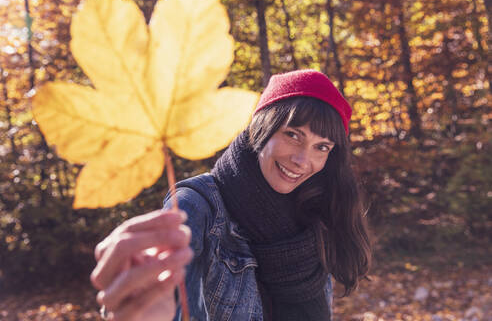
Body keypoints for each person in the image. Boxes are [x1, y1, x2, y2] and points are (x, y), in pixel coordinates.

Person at [90, 69, 372, 321]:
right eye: (293, 135)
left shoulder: (312, 214)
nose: (302, 160)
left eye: (321, 147)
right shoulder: (198, 206)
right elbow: (165, 305)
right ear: (262, 129)